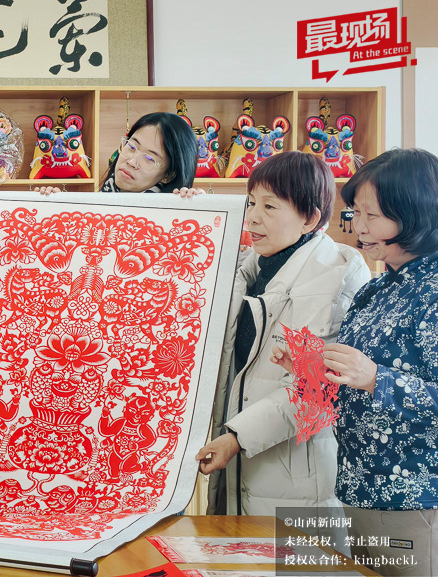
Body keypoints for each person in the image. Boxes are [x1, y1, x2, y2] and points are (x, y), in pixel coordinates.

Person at [273, 149, 438, 576]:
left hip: (414, 498)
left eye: (373, 216)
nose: (359, 228)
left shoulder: (433, 292)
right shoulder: (376, 289)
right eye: (356, 213)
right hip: (359, 488)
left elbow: (377, 381)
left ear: (416, 215)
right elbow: (351, 389)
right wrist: (312, 371)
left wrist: (376, 378)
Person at [198, 151, 370, 517]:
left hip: (295, 480)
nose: (253, 217)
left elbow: (316, 390)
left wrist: (237, 437)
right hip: (236, 462)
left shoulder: (334, 278)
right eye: (251, 202)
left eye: (270, 206)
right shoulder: (248, 268)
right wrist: (191, 210)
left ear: (310, 218)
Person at [37, 111, 202, 197]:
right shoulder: (100, 201)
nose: (131, 161)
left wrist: (197, 206)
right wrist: (56, 204)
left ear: (168, 175)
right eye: (132, 146)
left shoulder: (172, 215)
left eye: (149, 158)